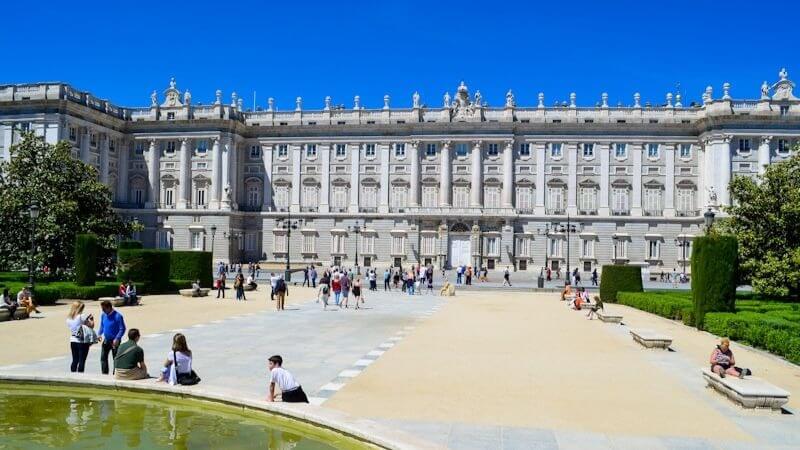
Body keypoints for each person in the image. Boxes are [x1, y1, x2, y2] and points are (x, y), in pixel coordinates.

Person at [98, 300, 126, 375]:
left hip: (115, 341)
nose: (103, 310)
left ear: (109, 308)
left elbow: (122, 329)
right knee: (103, 358)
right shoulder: (103, 315)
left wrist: (117, 338)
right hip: (106, 340)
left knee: (115, 359)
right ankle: (104, 374)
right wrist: (99, 334)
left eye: (104, 309)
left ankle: (115, 374)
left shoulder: (118, 316)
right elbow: (102, 325)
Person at [66, 301, 95, 373]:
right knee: (82, 360)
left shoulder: (69, 318)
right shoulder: (81, 316)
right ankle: (80, 376)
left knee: (75, 360)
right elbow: (91, 326)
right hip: (82, 340)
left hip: (73, 340)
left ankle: (72, 375)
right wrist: (91, 319)